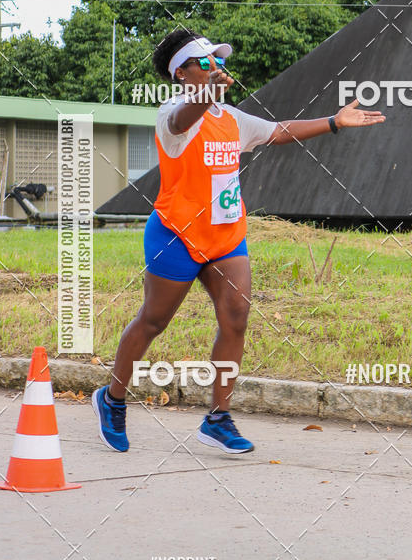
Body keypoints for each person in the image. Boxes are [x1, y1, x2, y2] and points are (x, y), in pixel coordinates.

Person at [92, 29, 385, 454]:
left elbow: (278, 131)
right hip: (176, 234)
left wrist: (334, 122)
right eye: (206, 62)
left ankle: (218, 419)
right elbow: (182, 120)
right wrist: (206, 94)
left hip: (226, 237)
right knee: (154, 321)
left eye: (218, 61)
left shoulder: (231, 119)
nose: (217, 67)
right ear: (182, 73)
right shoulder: (172, 116)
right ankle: (113, 398)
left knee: (236, 319)